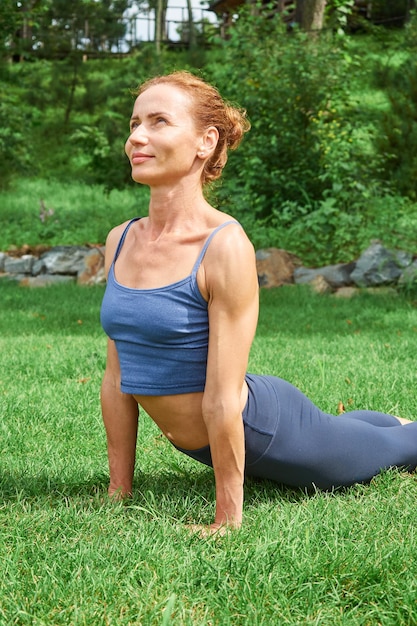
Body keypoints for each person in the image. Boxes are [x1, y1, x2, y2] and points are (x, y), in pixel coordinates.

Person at [100, 70, 417, 535]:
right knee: (353, 430)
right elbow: (116, 378)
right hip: (206, 438)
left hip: (267, 430)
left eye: (158, 121)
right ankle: (382, 421)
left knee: (393, 451)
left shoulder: (224, 245)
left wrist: (227, 519)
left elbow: (224, 399)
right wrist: (118, 491)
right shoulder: (121, 239)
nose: (137, 137)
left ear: (205, 141)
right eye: (133, 124)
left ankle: (394, 430)